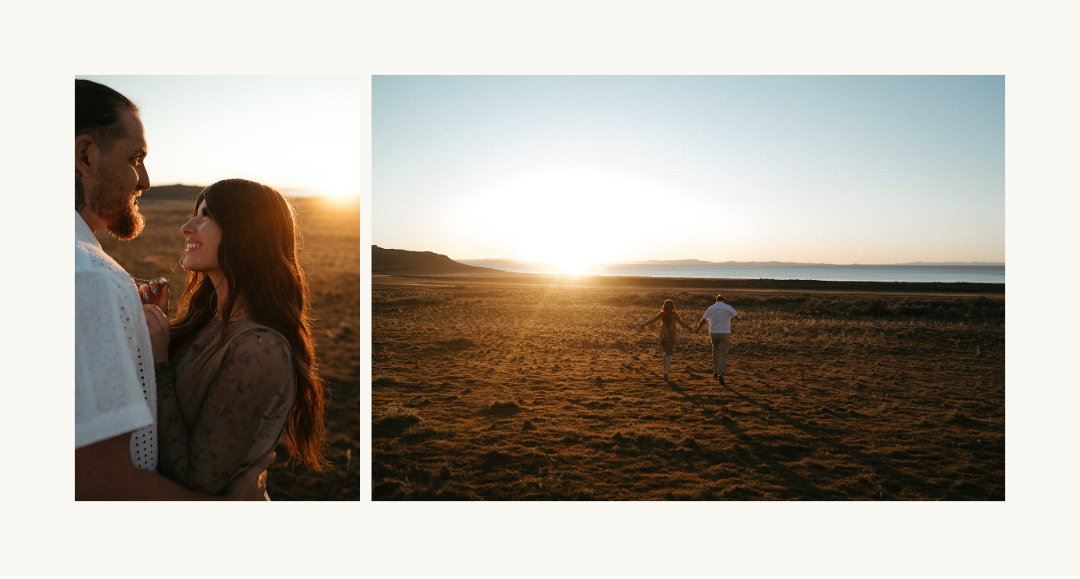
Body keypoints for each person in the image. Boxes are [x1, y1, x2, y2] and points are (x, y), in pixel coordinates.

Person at [75, 79, 272, 500]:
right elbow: (98, 486)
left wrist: (129, 322)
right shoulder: (90, 277)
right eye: (136, 158)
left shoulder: (94, 279)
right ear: (85, 155)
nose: (145, 179)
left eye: (205, 217)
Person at [143, 179, 328, 494]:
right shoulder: (210, 320)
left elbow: (196, 479)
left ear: (246, 234)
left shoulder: (260, 348)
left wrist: (159, 359)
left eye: (206, 216)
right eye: (193, 214)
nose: (186, 227)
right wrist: (158, 328)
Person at [694, 295, 741, 385]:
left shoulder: (710, 308)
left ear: (716, 300)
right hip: (725, 333)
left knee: (715, 351)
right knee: (723, 353)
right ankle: (721, 373)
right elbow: (737, 318)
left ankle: (715, 371)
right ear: (723, 300)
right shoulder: (728, 307)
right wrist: (739, 318)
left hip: (713, 332)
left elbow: (703, 320)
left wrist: (698, 329)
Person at [641, 299, 693, 381]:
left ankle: (665, 371)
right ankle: (666, 372)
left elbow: (652, 320)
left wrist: (643, 324)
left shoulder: (662, 314)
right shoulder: (675, 315)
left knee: (665, 353)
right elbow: (682, 324)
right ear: (672, 306)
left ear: (664, 306)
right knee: (669, 354)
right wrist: (690, 328)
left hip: (663, 336)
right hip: (671, 337)